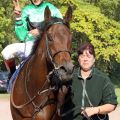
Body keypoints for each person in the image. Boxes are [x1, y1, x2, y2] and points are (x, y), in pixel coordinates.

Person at [1, 0, 63, 79]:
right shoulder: (26, 10)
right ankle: (13, 76)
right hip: (29, 43)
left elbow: (60, 26)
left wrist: (41, 31)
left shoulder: (52, 9)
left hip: (46, 43)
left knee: (28, 53)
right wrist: (18, 17)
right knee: (6, 52)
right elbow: (21, 36)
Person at [59, 42, 118, 120]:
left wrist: (95, 110)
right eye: (82, 56)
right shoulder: (69, 77)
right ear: (78, 59)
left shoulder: (103, 79)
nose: (85, 59)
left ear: (94, 59)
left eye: (89, 56)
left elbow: (111, 104)